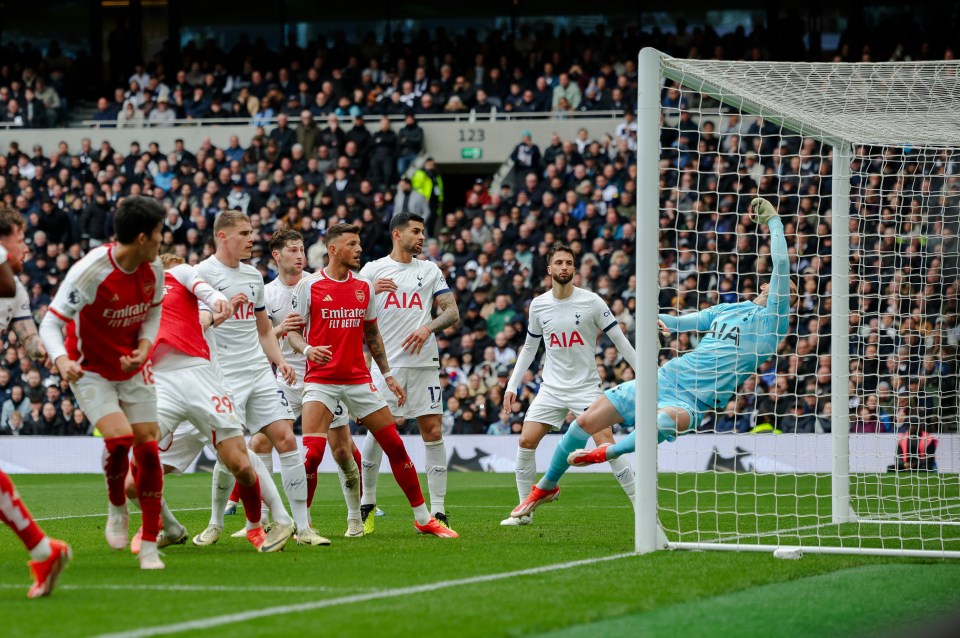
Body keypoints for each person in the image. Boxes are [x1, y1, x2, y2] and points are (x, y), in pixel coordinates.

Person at [512, 198, 798, 517]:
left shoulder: (774, 323)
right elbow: (689, 321)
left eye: (790, 293)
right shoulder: (729, 309)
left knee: (663, 423)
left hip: (696, 401)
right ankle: (546, 485)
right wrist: (661, 319)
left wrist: (773, 222)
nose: (785, 290)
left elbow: (782, 265)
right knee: (584, 422)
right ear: (762, 285)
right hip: (667, 377)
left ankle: (606, 453)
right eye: (781, 287)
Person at [287, 223, 458, 538]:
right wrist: (308, 349)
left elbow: (372, 335)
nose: (359, 250)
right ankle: (302, 525)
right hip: (321, 380)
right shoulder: (309, 286)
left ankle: (423, 517)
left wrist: (388, 375)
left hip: (358, 380)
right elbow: (294, 331)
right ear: (334, 249)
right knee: (312, 454)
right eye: (352, 244)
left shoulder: (363, 286)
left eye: (359, 244)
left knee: (394, 443)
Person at [123, 253, 296, 553]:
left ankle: (269, 522)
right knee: (132, 482)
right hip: (171, 398)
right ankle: (167, 525)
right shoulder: (148, 305)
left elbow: (206, 313)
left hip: (207, 392)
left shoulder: (195, 296)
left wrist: (218, 309)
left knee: (242, 460)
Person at [39, 196, 167, 569]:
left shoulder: (153, 267)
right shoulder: (89, 271)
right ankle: (116, 505)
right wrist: (61, 360)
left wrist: (145, 346)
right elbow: (51, 322)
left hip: (132, 368)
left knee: (148, 447)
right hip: (89, 367)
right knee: (119, 439)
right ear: (143, 237)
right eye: (159, 233)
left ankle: (148, 544)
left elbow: (153, 313)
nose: (163, 240)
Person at [192, 211, 323, 546]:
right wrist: (219, 314)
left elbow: (264, 330)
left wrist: (279, 362)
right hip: (223, 376)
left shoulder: (252, 276)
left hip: (258, 371)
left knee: (287, 440)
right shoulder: (201, 275)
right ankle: (216, 522)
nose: (252, 239)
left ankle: (303, 527)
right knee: (231, 453)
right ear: (223, 236)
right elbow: (195, 326)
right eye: (244, 233)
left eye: (252, 233)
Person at [224, 230, 362, 538]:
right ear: (277, 256)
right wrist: (281, 329)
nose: (299, 256)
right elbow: (257, 342)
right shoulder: (267, 293)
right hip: (285, 379)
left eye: (301, 250)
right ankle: (263, 522)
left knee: (342, 450)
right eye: (292, 251)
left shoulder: (317, 283)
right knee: (259, 443)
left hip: (323, 378)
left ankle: (355, 516)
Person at [500, 243, 638, 526]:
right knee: (526, 441)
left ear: (574, 269)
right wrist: (512, 385)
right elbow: (529, 349)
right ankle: (525, 512)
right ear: (550, 269)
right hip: (551, 389)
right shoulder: (538, 305)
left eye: (569, 262)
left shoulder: (593, 302)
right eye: (559, 262)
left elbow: (620, 342)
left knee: (607, 444)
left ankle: (641, 507)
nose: (564, 267)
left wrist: (646, 374)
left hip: (586, 388)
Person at [358, 211, 461, 533]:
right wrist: (369, 290)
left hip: (424, 364)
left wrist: (427, 328)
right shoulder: (373, 270)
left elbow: (452, 311)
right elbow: (351, 308)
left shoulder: (430, 270)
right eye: (416, 231)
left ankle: (439, 511)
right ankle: (368, 504)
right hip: (386, 365)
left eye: (423, 232)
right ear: (396, 234)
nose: (421, 238)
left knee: (433, 432)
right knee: (379, 432)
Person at [0, 205, 71, 596]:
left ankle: (43, 550)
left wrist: (60, 354)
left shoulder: (17, 290)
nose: (26, 246)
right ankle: (43, 550)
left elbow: (29, 341)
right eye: (20, 238)